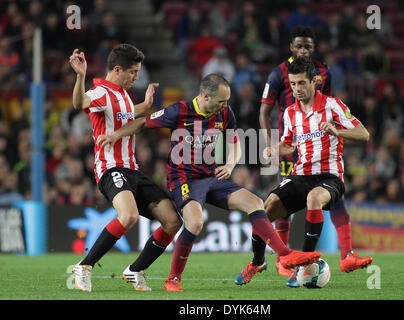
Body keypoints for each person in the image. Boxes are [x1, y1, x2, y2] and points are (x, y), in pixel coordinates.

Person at [96, 73, 321, 291]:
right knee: (194, 223)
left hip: (211, 177)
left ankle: (282, 255)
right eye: (221, 101)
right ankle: (173, 279)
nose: (225, 105)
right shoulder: (179, 110)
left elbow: (235, 142)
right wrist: (116, 135)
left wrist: (231, 164)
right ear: (205, 96)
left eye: (227, 101)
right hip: (183, 179)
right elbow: (144, 122)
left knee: (255, 203)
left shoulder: (225, 112)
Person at [237, 57, 371, 287]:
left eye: (301, 83)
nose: (297, 89)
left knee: (314, 198)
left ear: (314, 81)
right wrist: (274, 150)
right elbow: (289, 144)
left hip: (330, 176)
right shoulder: (290, 113)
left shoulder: (333, 105)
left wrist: (338, 131)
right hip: (301, 175)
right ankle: (258, 262)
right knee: (264, 209)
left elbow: (363, 133)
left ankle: (301, 265)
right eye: (293, 84)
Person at [68, 44, 182, 292]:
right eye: (133, 72)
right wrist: (80, 76)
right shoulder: (100, 92)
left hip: (133, 170)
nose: (136, 78)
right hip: (110, 168)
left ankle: (135, 270)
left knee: (172, 221)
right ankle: (84, 266)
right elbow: (80, 103)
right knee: (128, 216)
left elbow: (125, 114)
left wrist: (146, 104)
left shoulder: (122, 94)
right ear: (117, 69)